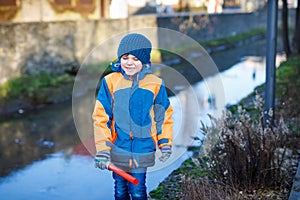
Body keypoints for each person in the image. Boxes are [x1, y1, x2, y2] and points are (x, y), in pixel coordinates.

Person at [93, 33, 174, 200]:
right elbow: (101, 118)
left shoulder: (156, 84)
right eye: (125, 57)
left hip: (142, 150)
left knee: (137, 191)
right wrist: (102, 150)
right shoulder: (109, 82)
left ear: (144, 62)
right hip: (118, 148)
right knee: (120, 190)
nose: (129, 62)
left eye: (135, 59)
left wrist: (164, 143)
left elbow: (164, 116)